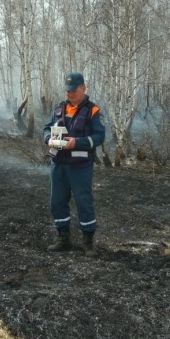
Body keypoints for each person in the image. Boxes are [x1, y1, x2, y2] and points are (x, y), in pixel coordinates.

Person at [43, 72, 105, 257]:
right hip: (58, 163)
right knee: (57, 202)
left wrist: (76, 143)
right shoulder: (58, 108)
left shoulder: (92, 110)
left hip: (80, 166)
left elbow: (100, 136)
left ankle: (88, 242)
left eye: (73, 91)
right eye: (67, 91)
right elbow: (47, 128)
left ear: (83, 88)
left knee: (83, 202)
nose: (69, 94)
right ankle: (63, 238)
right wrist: (48, 139)